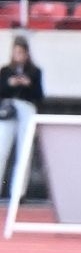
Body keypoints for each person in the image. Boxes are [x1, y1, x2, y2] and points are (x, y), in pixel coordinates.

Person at [0, 36, 43, 202]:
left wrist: (28, 84)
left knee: (24, 150)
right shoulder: (5, 71)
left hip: (26, 107)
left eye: (21, 53)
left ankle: (18, 191)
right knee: (2, 148)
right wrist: (9, 84)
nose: (18, 56)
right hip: (8, 109)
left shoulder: (35, 72)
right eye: (16, 52)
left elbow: (39, 95)